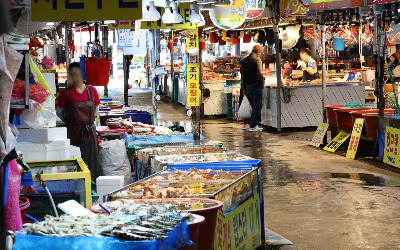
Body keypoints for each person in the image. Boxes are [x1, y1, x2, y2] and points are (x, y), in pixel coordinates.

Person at [56, 62, 101, 181]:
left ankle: (93, 189)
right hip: (73, 134)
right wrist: (71, 122)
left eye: (77, 75)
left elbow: (96, 108)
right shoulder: (66, 93)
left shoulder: (92, 91)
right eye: (72, 75)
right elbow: (59, 112)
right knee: (75, 163)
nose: (74, 78)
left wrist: (88, 122)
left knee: (92, 164)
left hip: (89, 133)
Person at [240, 45, 264, 132]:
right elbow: (259, 73)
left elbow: (243, 76)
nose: (262, 53)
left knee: (253, 106)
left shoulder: (244, 61)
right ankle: (254, 125)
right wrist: (262, 81)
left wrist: (244, 88)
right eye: (261, 52)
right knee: (257, 106)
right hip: (256, 85)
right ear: (257, 52)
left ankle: (251, 124)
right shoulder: (257, 60)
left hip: (248, 87)